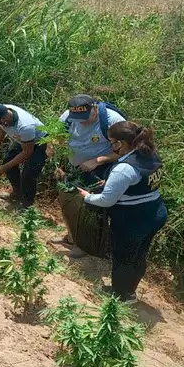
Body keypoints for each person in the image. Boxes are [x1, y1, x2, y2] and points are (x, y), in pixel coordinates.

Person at [77, 121, 167, 303]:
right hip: (155, 212)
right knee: (139, 254)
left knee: (123, 257)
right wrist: (111, 183)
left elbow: (106, 200)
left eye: (112, 142)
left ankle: (120, 296)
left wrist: (87, 197)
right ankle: (130, 291)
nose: (111, 147)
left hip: (133, 218)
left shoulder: (125, 168)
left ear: (121, 143)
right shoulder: (150, 154)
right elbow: (140, 182)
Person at [52, 93, 127, 257]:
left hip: (100, 170)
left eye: (85, 117)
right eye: (78, 118)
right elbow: (56, 139)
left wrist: (97, 161)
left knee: (89, 209)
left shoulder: (112, 121)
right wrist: (53, 151)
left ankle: (86, 246)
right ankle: (72, 237)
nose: (82, 122)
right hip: (75, 167)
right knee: (71, 203)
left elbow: (127, 152)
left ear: (95, 108)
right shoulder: (67, 117)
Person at [0, 103, 49, 208]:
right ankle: (17, 193)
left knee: (28, 174)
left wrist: (5, 167)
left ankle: (27, 205)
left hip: (39, 142)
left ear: (3, 119)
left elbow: (27, 152)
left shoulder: (25, 126)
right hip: (22, 139)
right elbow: (0, 131)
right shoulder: (0, 112)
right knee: (8, 161)